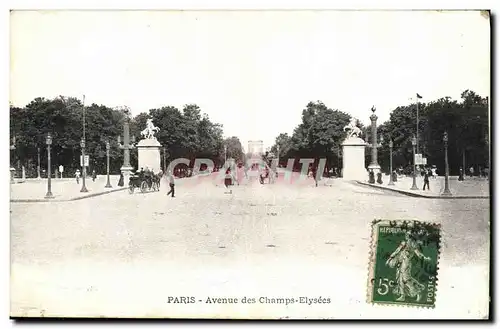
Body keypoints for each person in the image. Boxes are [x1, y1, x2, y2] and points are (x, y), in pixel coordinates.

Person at [386, 231, 431, 302]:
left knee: (406, 279)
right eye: (406, 235)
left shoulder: (413, 243)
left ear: (410, 236)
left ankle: (418, 292)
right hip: (400, 262)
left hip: (406, 263)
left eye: (408, 235)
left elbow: (418, 253)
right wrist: (390, 258)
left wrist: (425, 258)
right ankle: (402, 295)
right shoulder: (403, 243)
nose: (406, 236)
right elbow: (397, 251)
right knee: (400, 279)